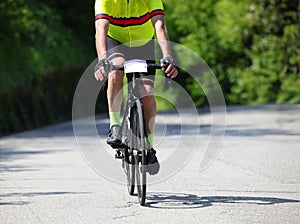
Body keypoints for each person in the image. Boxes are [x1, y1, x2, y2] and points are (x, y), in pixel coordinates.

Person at [94, 0, 178, 175]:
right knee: (116, 71)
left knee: (147, 93)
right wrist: (102, 60)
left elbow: (160, 26)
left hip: (143, 43)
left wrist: (168, 56)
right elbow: (101, 30)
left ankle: (149, 146)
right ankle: (115, 126)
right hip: (115, 41)